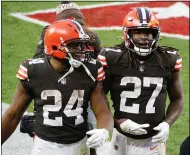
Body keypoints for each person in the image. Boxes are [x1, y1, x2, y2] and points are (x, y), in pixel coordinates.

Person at [2, 19, 113, 155]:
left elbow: (103, 111)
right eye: (75, 46)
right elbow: (13, 115)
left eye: (82, 45)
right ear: (55, 46)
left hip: (80, 144)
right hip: (45, 146)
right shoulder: (34, 71)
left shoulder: (91, 69)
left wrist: (104, 130)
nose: (81, 50)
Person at [98, 7, 184, 155]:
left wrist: (166, 124)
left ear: (156, 34)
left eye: (149, 32)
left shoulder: (168, 59)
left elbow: (178, 98)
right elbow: (98, 96)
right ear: (127, 33)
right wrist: (117, 121)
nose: (144, 37)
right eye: (138, 32)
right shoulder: (112, 58)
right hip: (120, 136)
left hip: (153, 139)